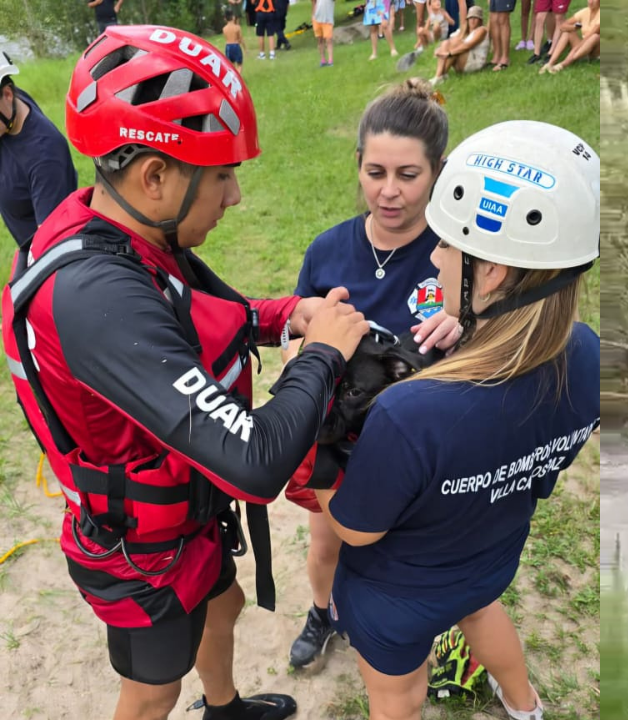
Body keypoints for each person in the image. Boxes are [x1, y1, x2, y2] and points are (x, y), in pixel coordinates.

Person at [1, 25, 370, 720]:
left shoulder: (120, 230)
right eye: (222, 175)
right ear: (156, 176)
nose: (234, 197)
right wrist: (322, 355)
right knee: (152, 691)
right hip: (137, 551)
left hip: (180, 525)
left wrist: (290, 314)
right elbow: (255, 461)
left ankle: (224, 707)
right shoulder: (95, 297)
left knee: (222, 601)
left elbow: (200, 310)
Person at [294, 119, 600, 720]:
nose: (433, 256)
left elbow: (356, 531)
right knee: (482, 612)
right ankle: (526, 708)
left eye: (447, 246)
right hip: (487, 559)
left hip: (397, 592)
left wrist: (317, 436)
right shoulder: (586, 353)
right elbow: (540, 471)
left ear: (492, 274)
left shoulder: (414, 413)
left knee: (398, 698)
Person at [282, 78, 462, 671]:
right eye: (376, 171)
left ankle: (422, 626)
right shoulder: (328, 251)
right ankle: (323, 611)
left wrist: (464, 328)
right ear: (357, 164)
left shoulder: (456, 257)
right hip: (337, 432)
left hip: (419, 440)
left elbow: (493, 354)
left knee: (414, 546)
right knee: (327, 539)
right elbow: (296, 339)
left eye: (408, 176)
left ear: (437, 171)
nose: (389, 193)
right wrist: (298, 359)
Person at [0, 52, 78, 250]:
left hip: (44, 257)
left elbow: (52, 246)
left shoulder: (45, 157)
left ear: (8, 94)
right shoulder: (13, 107)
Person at [430, 5, 490, 85]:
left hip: (474, 62)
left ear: (480, 20)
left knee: (456, 43)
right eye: (470, 18)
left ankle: (441, 76)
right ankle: (438, 76)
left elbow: (468, 45)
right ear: (468, 20)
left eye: (475, 18)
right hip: (464, 60)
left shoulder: (482, 30)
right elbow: (449, 42)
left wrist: (449, 53)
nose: (472, 21)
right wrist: (439, 49)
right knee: (446, 42)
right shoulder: (463, 31)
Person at [539, 0, 597, 74]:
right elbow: (563, 26)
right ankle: (550, 63)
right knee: (567, 33)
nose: (590, 2)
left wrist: (574, 50)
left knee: (594, 37)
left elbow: (589, 36)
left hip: (595, 50)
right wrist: (573, 28)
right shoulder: (585, 12)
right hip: (583, 47)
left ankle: (562, 64)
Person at [312, 0, 336, 66]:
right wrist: (313, 16)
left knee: (329, 39)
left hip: (327, 19)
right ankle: (323, 60)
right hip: (316, 19)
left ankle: (330, 60)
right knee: (320, 40)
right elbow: (313, 3)